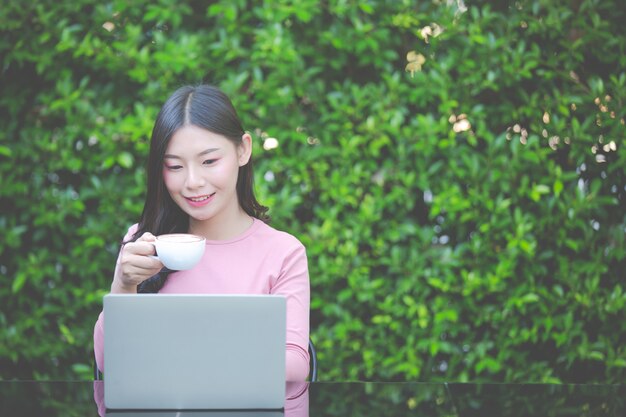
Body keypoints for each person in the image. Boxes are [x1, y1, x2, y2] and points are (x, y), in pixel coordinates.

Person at [93, 85, 310, 381]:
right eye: (175, 166)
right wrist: (123, 284)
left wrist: (192, 359)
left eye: (209, 161)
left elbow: (296, 363)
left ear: (243, 149)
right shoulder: (145, 242)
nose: (193, 181)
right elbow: (110, 363)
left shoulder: (283, 252)